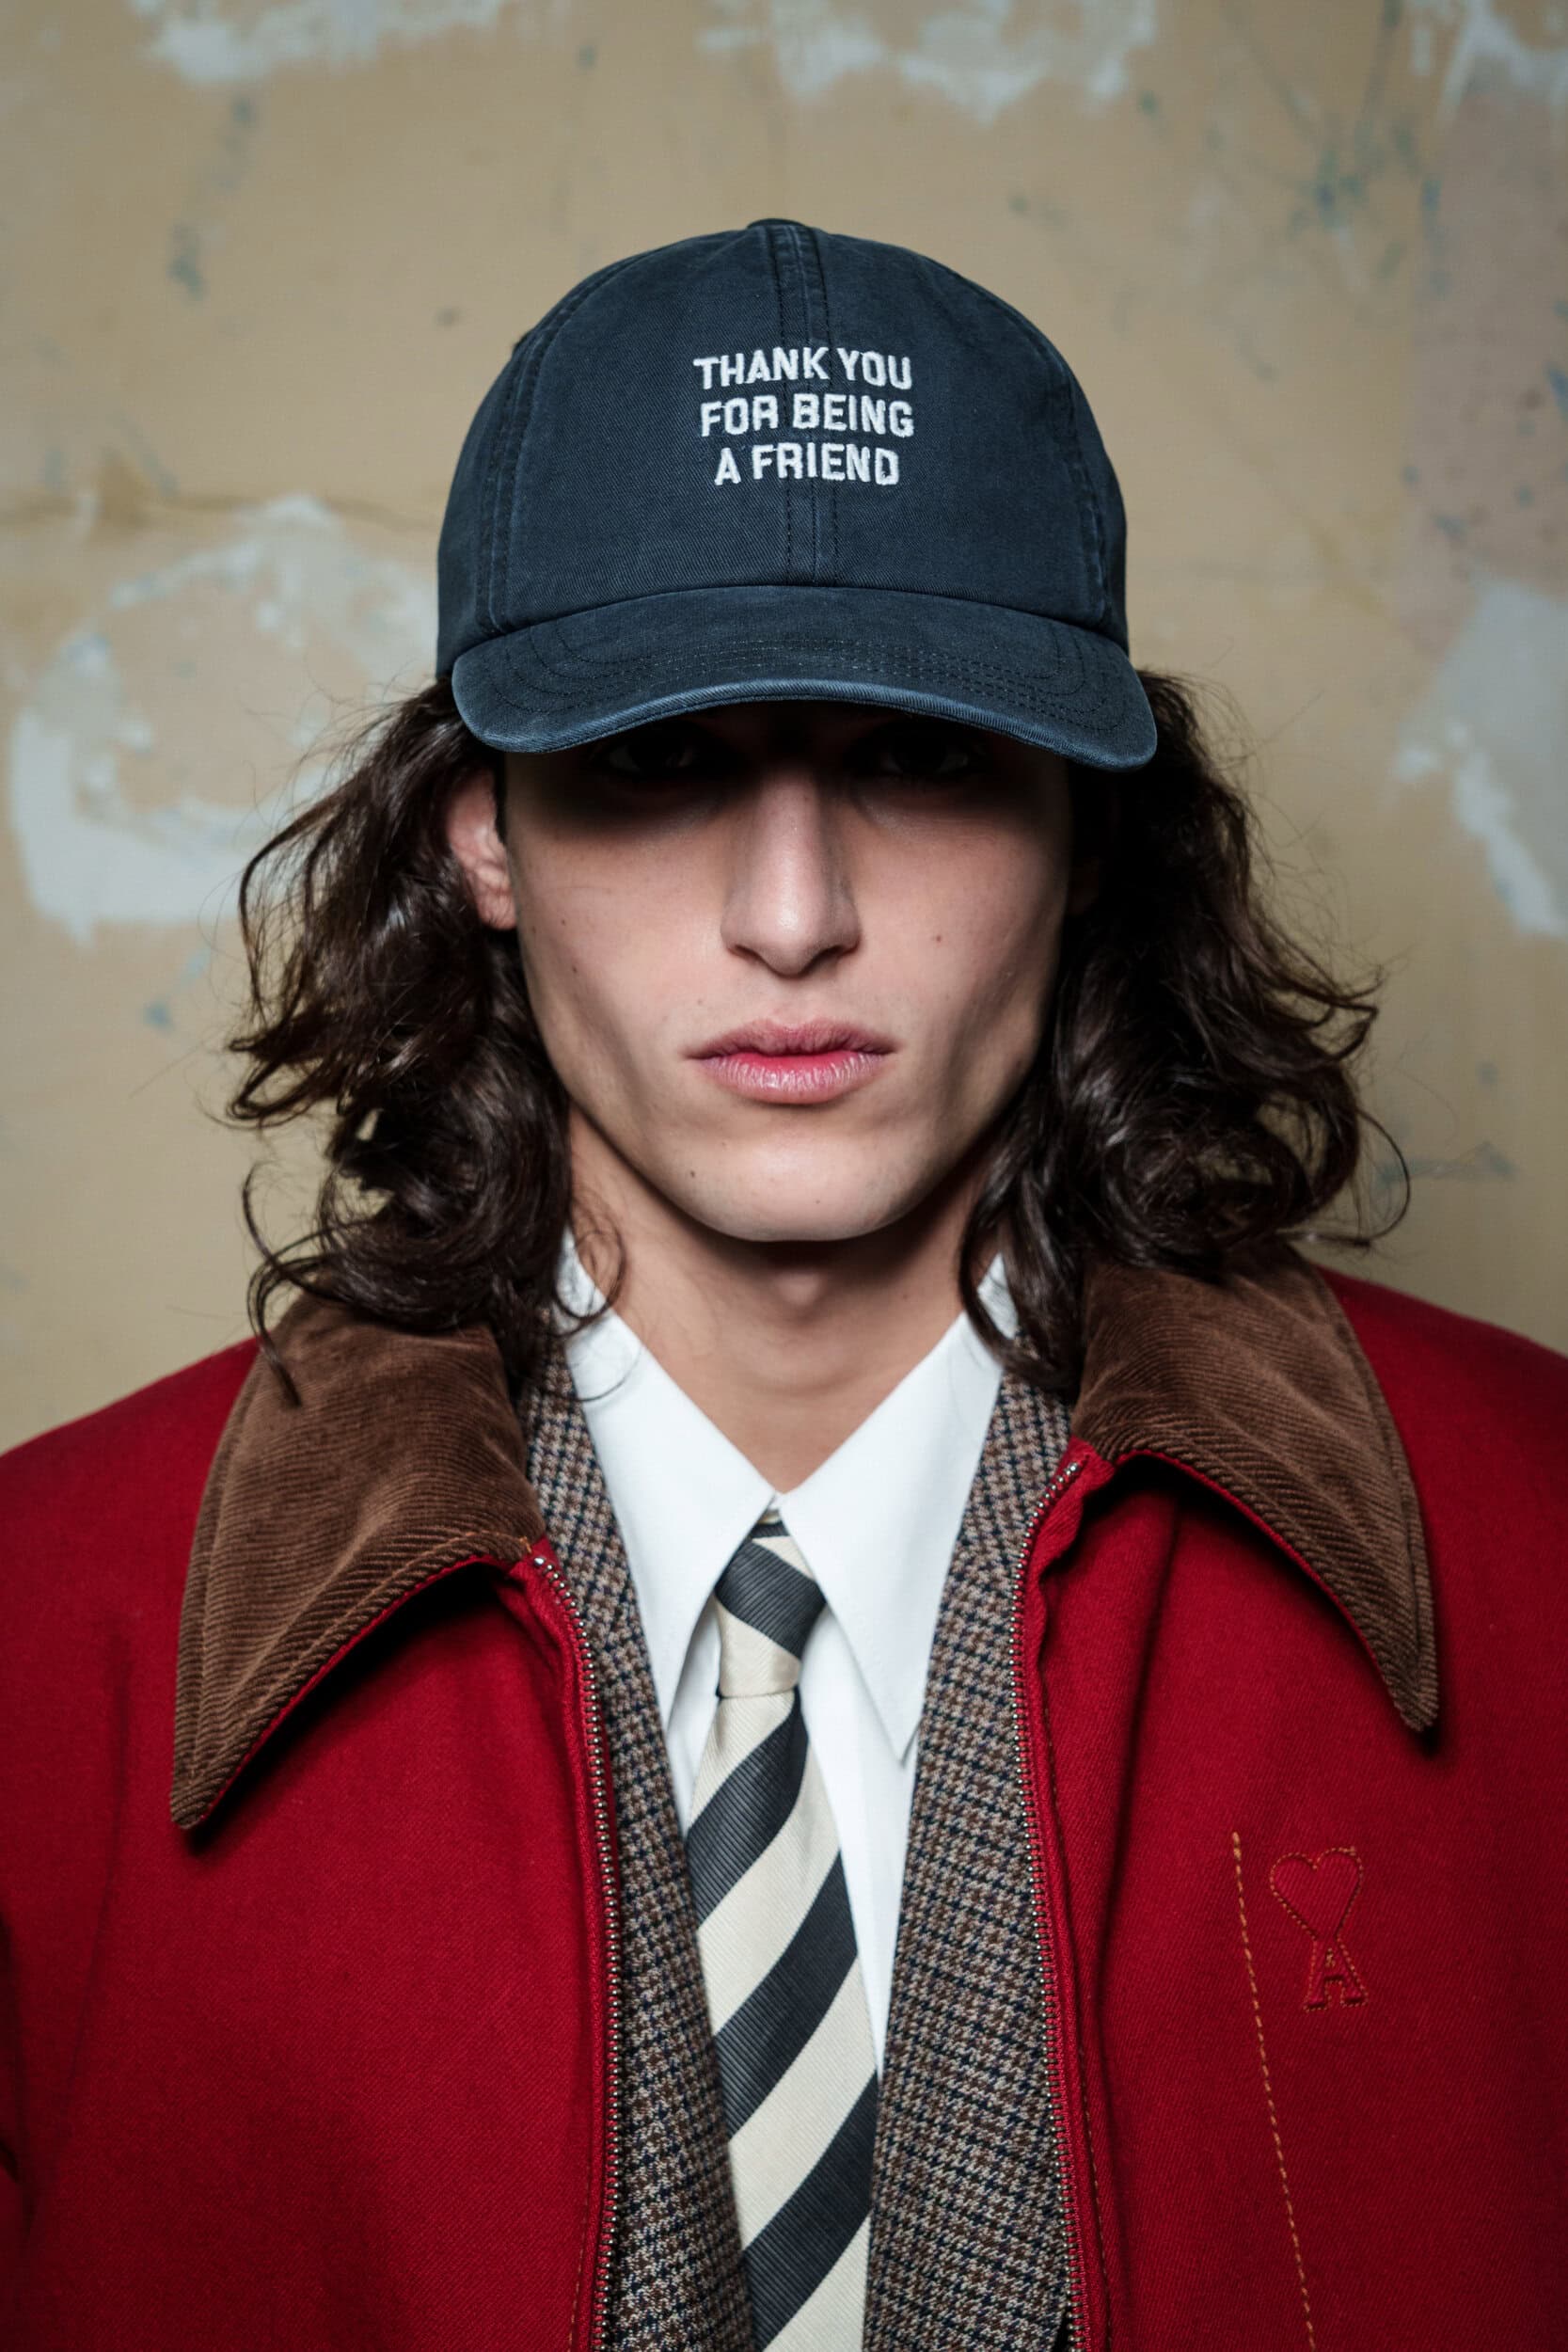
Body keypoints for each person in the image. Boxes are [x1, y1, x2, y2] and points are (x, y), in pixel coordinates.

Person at [1, 219, 1563, 2352]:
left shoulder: (1540, 1547)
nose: (795, 911)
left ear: (1091, 828)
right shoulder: (46, 1638)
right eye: (659, 761)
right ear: (480, 832)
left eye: (922, 754)